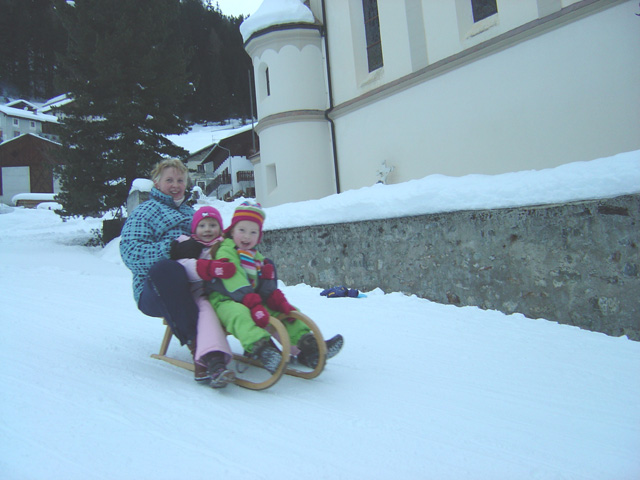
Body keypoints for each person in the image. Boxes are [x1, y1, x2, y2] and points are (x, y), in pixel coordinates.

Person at [119, 159, 231, 384]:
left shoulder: (193, 214)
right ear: (157, 183)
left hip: (197, 283)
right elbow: (130, 252)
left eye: (180, 180)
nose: (175, 185)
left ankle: (263, 336)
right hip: (155, 289)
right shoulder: (145, 212)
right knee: (167, 269)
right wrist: (172, 249)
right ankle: (200, 349)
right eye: (169, 180)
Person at [209, 200, 344, 373]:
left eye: (253, 232)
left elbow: (264, 285)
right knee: (240, 314)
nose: (246, 237)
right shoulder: (226, 250)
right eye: (242, 230)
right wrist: (253, 303)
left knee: (287, 312)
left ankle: (309, 346)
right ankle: (262, 348)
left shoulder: (257, 256)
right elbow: (234, 280)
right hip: (225, 300)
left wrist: (276, 300)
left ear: (259, 236)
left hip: (252, 300)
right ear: (232, 230)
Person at [170, 206, 236, 388]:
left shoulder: (226, 244)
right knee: (207, 312)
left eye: (213, 225)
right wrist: (208, 268)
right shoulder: (189, 245)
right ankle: (214, 362)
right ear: (194, 229)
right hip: (200, 294)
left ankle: (295, 345)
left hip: (225, 294)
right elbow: (183, 265)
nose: (207, 229)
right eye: (203, 225)